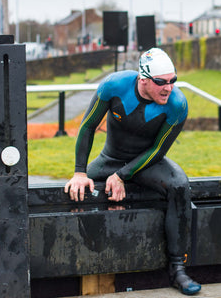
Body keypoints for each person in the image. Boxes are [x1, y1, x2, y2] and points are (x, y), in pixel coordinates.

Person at [64, 48, 201, 295]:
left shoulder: (178, 105)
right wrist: (79, 172)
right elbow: (87, 126)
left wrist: (121, 176)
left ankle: (178, 269)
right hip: (110, 160)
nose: (168, 88)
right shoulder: (114, 86)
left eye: (173, 81)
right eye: (161, 82)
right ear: (144, 80)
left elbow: (158, 150)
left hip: (148, 163)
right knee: (73, 190)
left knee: (180, 186)